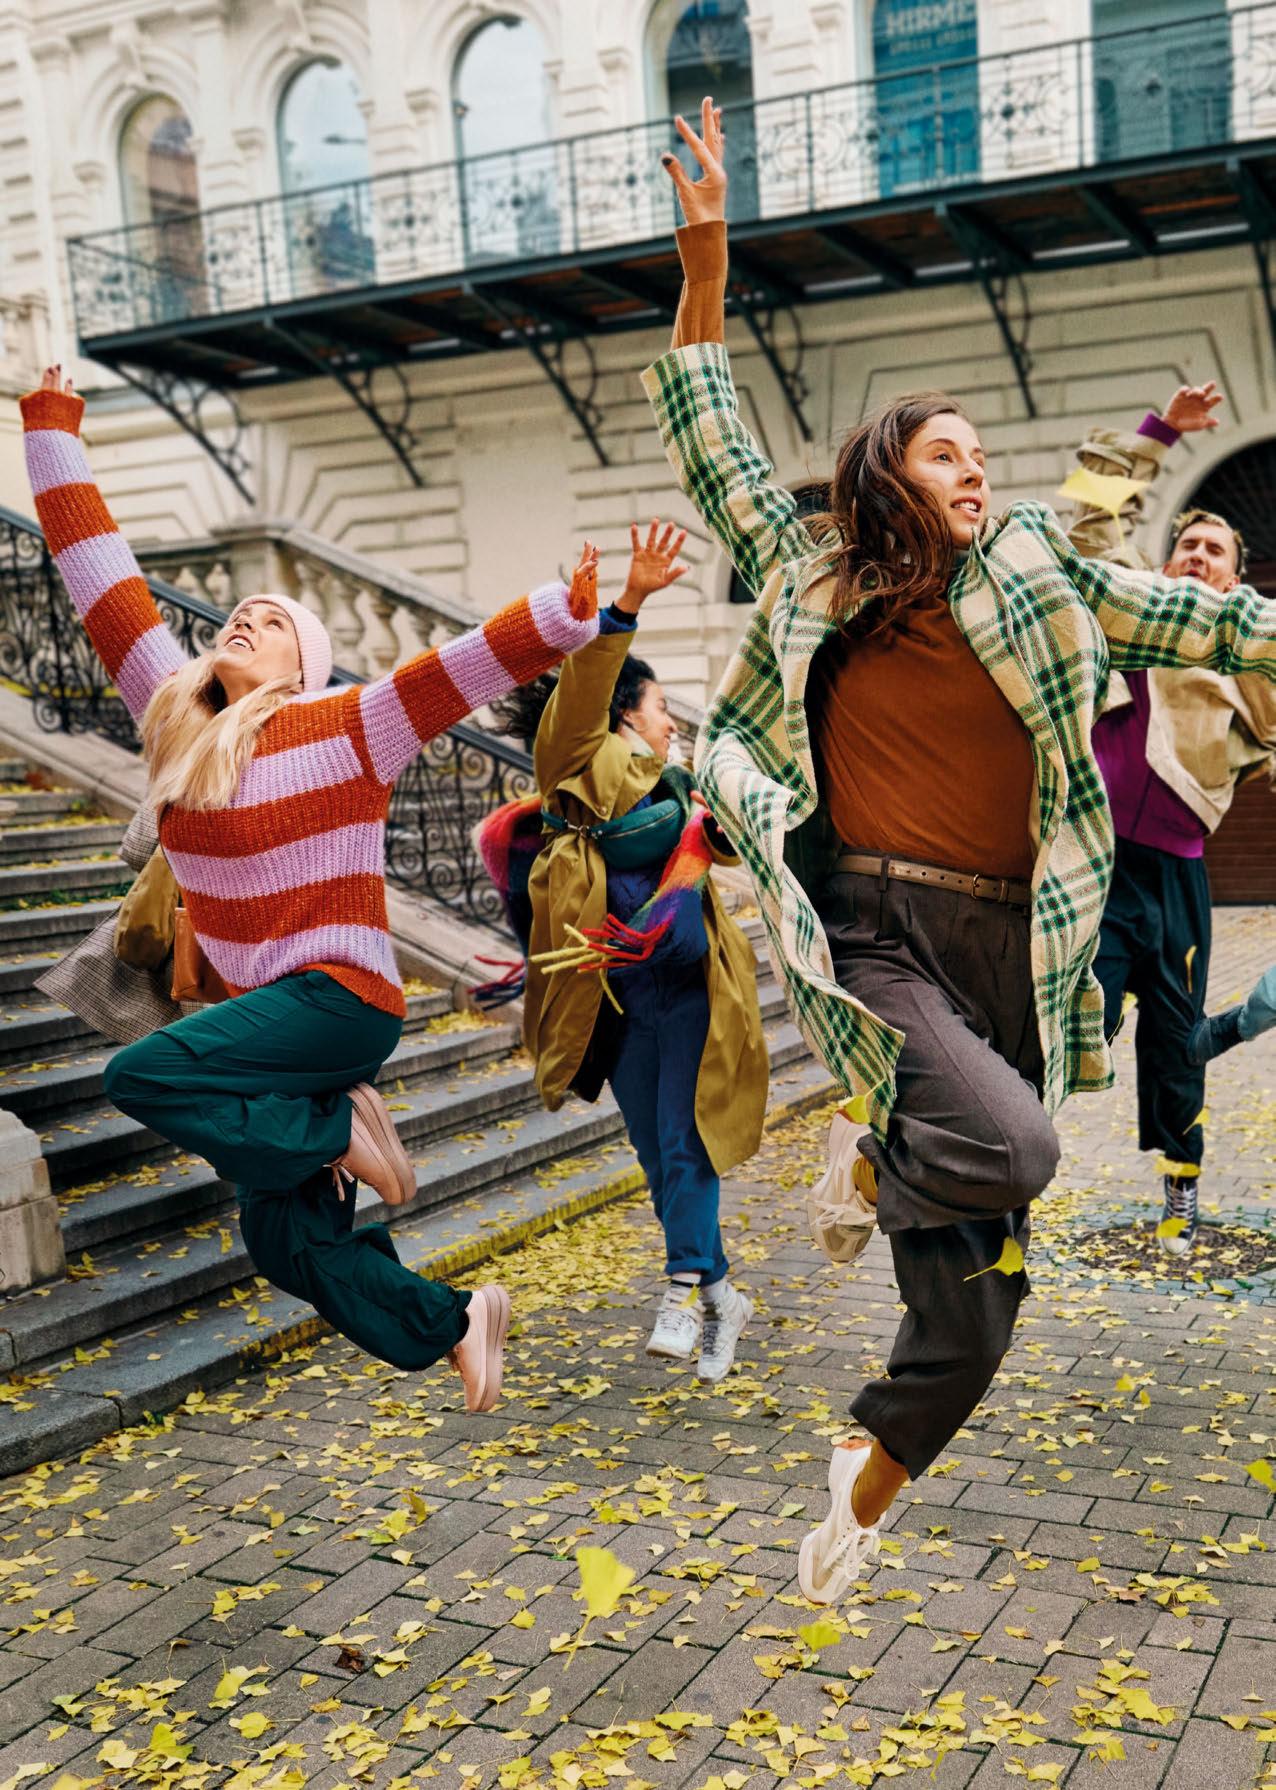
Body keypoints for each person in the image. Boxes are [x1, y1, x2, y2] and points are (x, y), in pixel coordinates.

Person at [645, 100, 1276, 1602]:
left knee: (986, 1299)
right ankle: (883, 1143)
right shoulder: (820, 568)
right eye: (948, 452)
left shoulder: (1041, 564)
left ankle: (860, 1487)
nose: (977, 470)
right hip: (876, 928)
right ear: (889, 474)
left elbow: (1204, 618)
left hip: (1010, 944)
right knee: (1021, 1148)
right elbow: (713, 443)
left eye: (986, 454)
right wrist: (708, 263)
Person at [21, 365, 603, 1414]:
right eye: (238, 614)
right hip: (268, 1025)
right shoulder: (176, 726)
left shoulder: (343, 726)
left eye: (273, 620)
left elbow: (451, 672)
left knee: (143, 1074)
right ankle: (454, 1320)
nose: (244, 619)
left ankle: (337, 1133)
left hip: (338, 1000)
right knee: (282, 1239)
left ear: (307, 664)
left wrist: (563, 615)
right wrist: (50, 426)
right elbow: (99, 577)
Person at [498, 521, 769, 1382]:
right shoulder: (578, 770)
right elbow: (581, 696)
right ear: (624, 713)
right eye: (658, 707)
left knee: (685, 1142)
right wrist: (625, 606)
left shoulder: (684, 788)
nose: (669, 720)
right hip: (612, 1000)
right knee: (656, 1156)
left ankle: (683, 1289)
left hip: (689, 988)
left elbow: (733, 848)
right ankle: (723, 1296)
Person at [1064, 399, 1276, 1255]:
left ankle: (1181, 1185)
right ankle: (1009, 1168)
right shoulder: (1136, 604)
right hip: (1102, 864)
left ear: (1236, 580)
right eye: (1187, 543)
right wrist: (1161, 433)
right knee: (1079, 1015)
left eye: (1213, 550)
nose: (1196, 555)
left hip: (1181, 875)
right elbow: (1088, 516)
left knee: (1178, 1041)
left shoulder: (1249, 650)